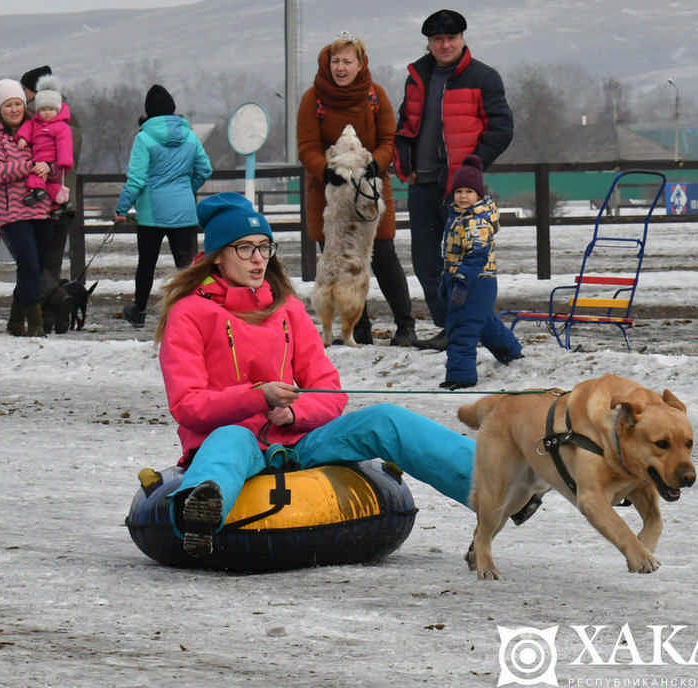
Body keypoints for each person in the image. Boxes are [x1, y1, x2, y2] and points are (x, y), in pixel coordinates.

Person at [155, 192, 475, 557]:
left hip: (299, 440)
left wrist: (295, 413)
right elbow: (188, 405)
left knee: (386, 419)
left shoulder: (286, 307)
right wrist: (258, 397)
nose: (258, 258)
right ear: (218, 255)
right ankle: (198, 515)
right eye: (244, 248)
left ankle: (493, 481)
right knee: (228, 440)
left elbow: (329, 389)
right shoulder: (190, 313)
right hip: (236, 440)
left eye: (264, 247)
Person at [394, 9, 513, 350]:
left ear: (462, 39)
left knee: (465, 264)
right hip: (423, 184)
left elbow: (502, 128)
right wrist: (405, 161)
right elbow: (406, 124)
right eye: (437, 40)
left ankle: (470, 329)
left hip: (462, 191)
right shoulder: (417, 76)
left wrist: (473, 167)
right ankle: (449, 326)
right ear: (429, 43)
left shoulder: (484, 77)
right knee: (426, 263)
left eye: (450, 38)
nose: (444, 45)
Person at [297, 32, 417, 346]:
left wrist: (375, 165)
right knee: (340, 258)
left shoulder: (375, 96)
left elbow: (389, 140)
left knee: (384, 256)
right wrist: (327, 171)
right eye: (335, 61)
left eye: (347, 61)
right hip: (328, 194)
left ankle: (405, 325)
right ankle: (357, 328)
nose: (340, 67)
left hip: (370, 190)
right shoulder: (313, 99)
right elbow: (307, 146)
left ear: (360, 64)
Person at [115, 84, 213, 327]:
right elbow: (205, 170)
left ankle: (138, 310)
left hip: (151, 213)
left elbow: (136, 179)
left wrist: (121, 209)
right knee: (188, 266)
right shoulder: (189, 136)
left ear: (148, 112)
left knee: (146, 264)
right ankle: (195, 312)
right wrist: (187, 189)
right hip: (184, 211)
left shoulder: (144, 138)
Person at [0, 78, 55, 336]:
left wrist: (48, 167)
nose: (14, 110)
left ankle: (14, 320)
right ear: (0, 109)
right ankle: (36, 324)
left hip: (40, 207)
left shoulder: (38, 130)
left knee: (36, 266)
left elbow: (52, 157)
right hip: (13, 213)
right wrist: (29, 166)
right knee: (30, 265)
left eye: (18, 104)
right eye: (9, 105)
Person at [439, 155, 522, 389]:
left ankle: (461, 377)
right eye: (459, 191)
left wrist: (463, 279)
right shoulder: (458, 217)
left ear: (479, 195)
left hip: (475, 282)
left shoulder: (476, 222)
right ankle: (511, 351)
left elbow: (477, 254)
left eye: (469, 192)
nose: (463, 196)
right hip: (464, 279)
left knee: (461, 329)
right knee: (483, 321)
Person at [21, 64, 82, 284]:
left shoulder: (32, 117)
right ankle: (53, 313)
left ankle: (42, 311)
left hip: (42, 198)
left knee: (35, 264)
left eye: (25, 91)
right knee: (53, 262)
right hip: (66, 199)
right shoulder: (69, 117)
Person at [15, 75, 74, 211]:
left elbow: (65, 145)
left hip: (53, 162)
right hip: (38, 160)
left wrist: (64, 163)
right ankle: (40, 194)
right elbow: (26, 128)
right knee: (37, 178)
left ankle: (54, 199)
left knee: (44, 180)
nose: (47, 113)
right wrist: (23, 138)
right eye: (43, 110)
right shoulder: (34, 123)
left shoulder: (61, 127)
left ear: (57, 110)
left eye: (50, 109)